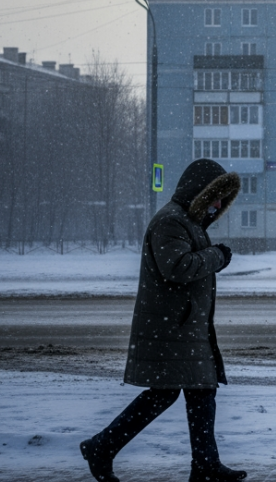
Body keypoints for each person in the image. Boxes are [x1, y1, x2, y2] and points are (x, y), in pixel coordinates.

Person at [80, 159, 246, 482]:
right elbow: (178, 267)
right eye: (214, 197)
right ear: (198, 192)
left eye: (221, 200)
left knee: (201, 391)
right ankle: (102, 447)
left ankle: (205, 466)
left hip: (184, 329)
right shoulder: (171, 222)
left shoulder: (186, 222)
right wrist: (217, 256)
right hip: (172, 330)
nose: (217, 205)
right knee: (169, 393)